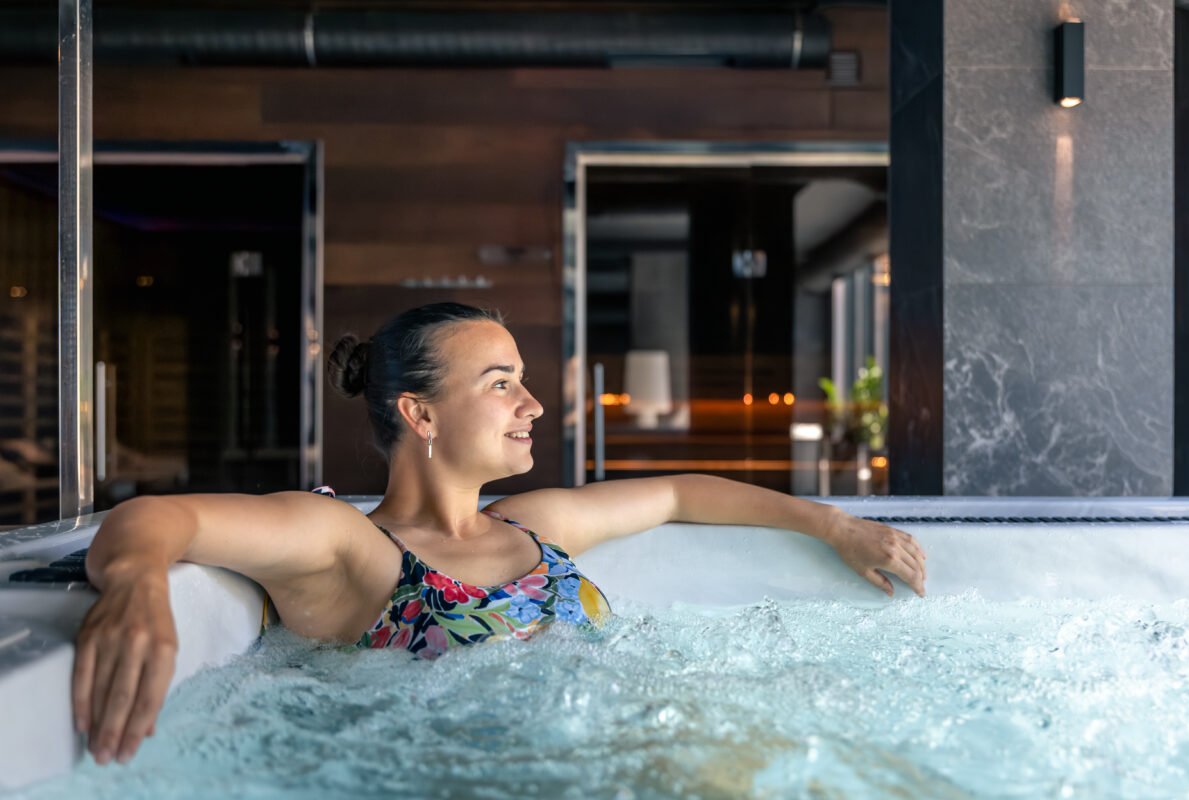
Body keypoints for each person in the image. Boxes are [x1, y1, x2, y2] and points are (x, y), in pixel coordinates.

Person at [72, 302, 927, 766]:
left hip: (656, 749)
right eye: (502, 383)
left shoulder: (534, 527)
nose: (533, 406)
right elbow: (156, 518)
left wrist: (836, 524)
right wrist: (141, 578)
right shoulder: (350, 548)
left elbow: (674, 496)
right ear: (420, 413)